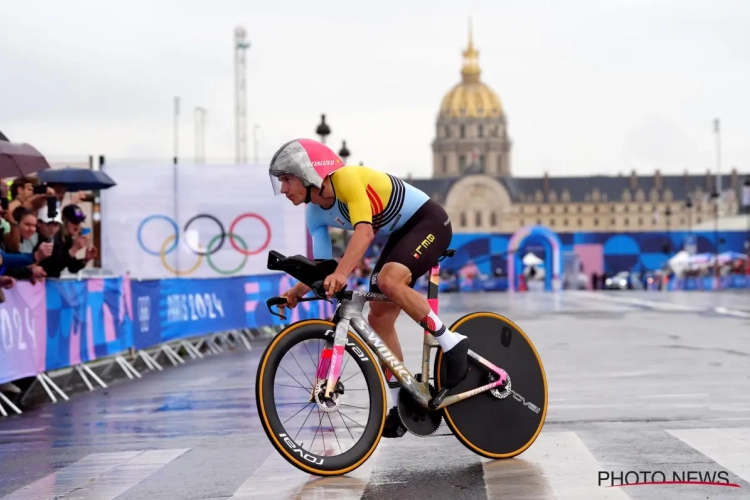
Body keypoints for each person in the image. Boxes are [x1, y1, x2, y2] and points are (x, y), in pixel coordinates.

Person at [269, 138, 469, 439]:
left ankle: (451, 342)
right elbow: (323, 267)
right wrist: (297, 290)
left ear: (308, 174)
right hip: (401, 234)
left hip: (428, 222)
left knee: (389, 281)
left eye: (286, 179)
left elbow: (364, 232)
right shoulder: (314, 213)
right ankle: (408, 397)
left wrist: (341, 272)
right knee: (379, 315)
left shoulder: (347, 180)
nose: (283, 189)